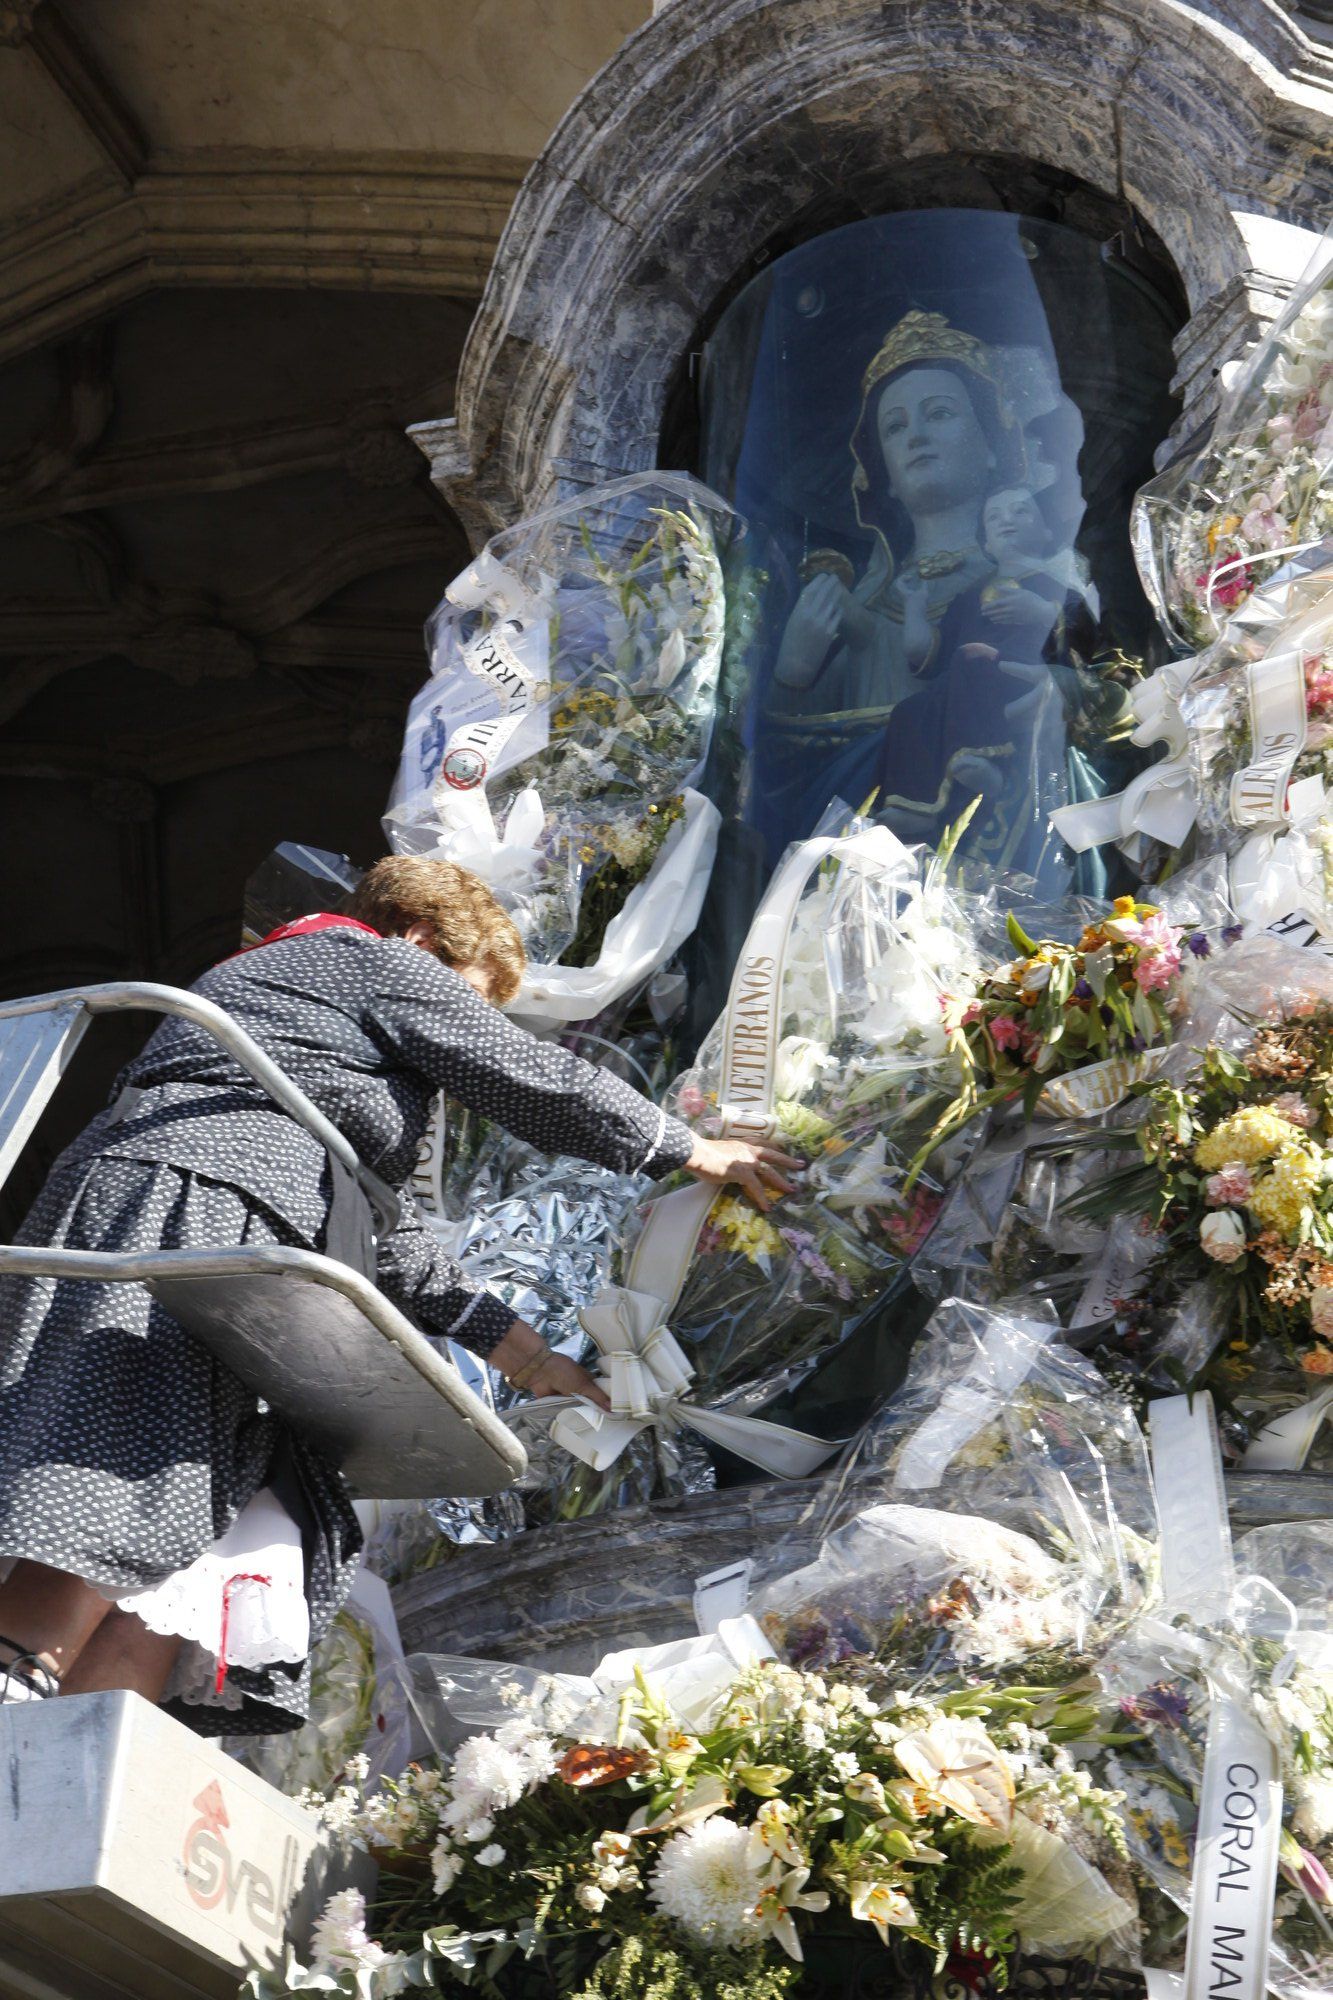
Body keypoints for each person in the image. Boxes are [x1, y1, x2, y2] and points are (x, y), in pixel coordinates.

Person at [0, 856, 796, 1731]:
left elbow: (389, 1238)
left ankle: (68, 1761)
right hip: (190, 1208)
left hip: (252, 1249)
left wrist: (529, 1362)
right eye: (468, 994)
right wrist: (683, 1148)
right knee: (124, 1455)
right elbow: (530, 1074)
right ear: (420, 937)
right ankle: (14, 1698)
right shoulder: (363, 959)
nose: (464, 1022)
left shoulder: (328, 1046)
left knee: (228, 1520)